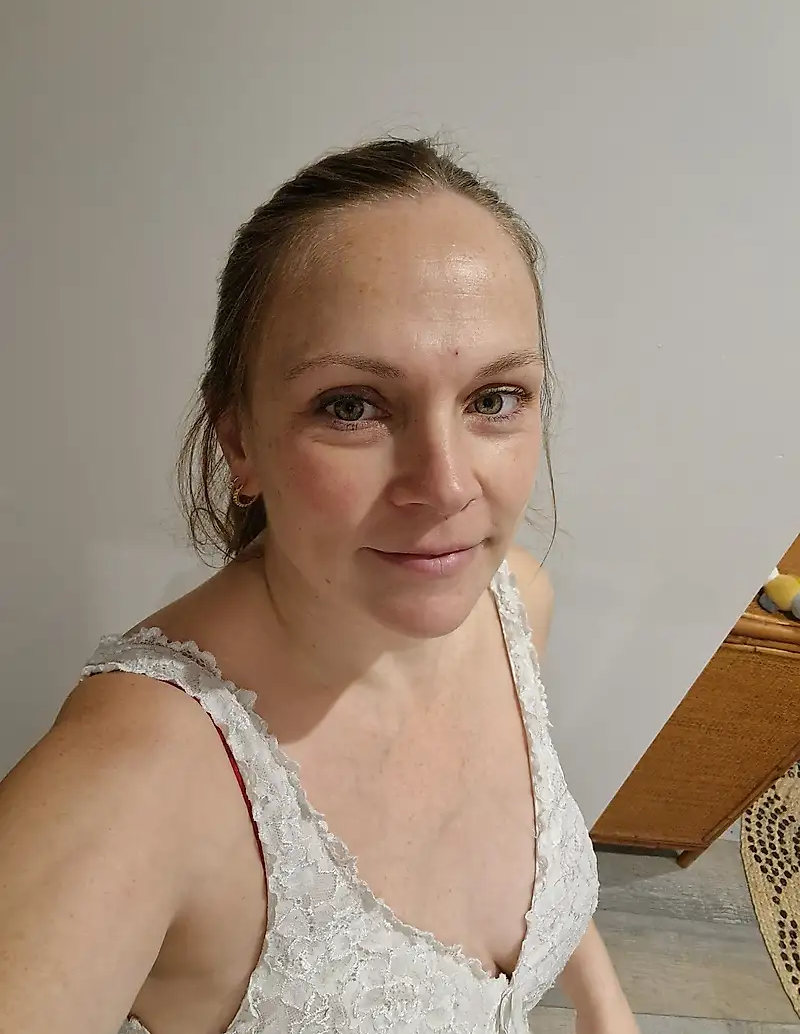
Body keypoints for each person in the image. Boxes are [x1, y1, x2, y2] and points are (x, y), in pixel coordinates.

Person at [0, 138, 638, 1034]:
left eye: (494, 397)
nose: (447, 485)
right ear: (240, 441)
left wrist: (606, 1007)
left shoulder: (513, 604)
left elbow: (529, 866)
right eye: (352, 406)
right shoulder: (134, 781)